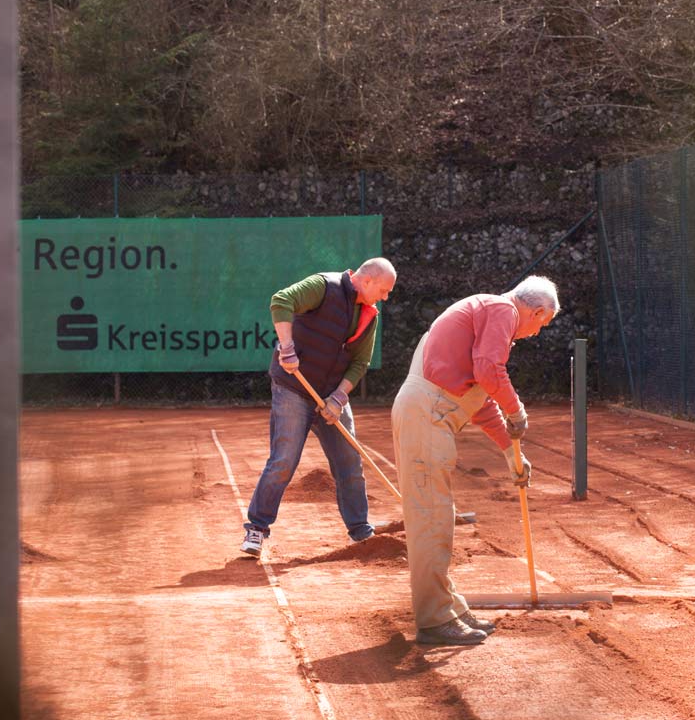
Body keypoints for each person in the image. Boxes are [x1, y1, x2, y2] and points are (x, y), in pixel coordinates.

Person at [390, 276, 559, 645]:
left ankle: (448, 607)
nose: (535, 333)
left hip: (429, 412)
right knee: (432, 519)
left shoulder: (483, 312)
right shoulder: (501, 310)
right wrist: (518, 411)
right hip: (427, 415)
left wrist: (512, 452)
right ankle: (434, 620)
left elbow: (480, 399)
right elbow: (490, 372)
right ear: (537, 311)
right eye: (541, 324)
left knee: (438, 517)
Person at [240, 257, 397, 560]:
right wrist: (286, 347)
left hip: (330, 396)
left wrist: (338, 397)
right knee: (284, 460)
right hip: (293, 389)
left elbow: (360, 362)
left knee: (349, 462)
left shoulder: (370, 316)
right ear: (367, 280)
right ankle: (257, 528)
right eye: (384, 289)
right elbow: (281, 301)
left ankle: (361, 531)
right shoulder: (324, 286)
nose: (386, 297)